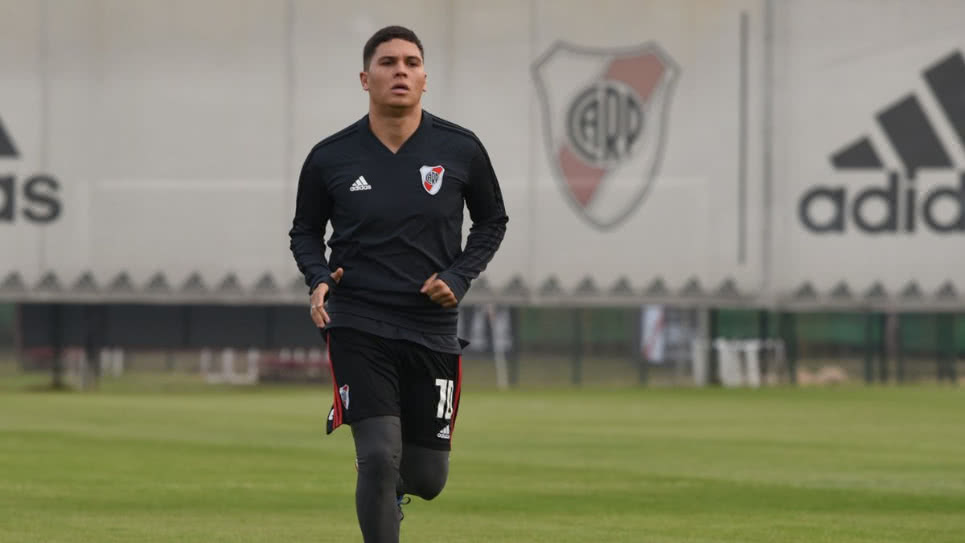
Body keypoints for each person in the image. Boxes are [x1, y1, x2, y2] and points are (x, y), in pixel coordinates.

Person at [288, 25, 508, 543]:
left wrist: (458, 277)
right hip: (357, 320)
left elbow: (493, 221)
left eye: (411, 63)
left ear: (425, 79)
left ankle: (384, 492)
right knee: (379, 454)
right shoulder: (330, 156)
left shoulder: (460, 149)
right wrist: (317, 277)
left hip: (431, 327)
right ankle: (378, 489)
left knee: (428, 478)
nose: (401, 71)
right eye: (388, 63)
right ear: (366, 79)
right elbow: (304, 230)